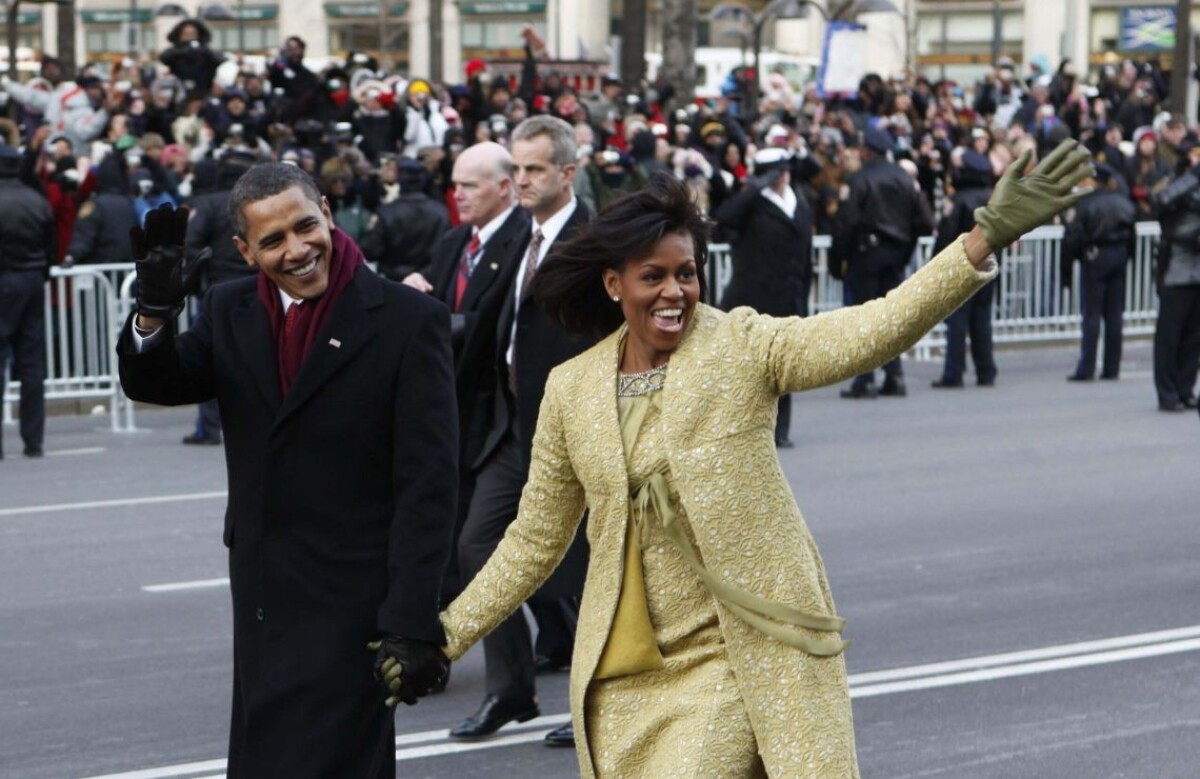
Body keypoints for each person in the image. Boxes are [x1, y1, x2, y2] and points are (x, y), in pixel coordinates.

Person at [439, 140, 1093, 777]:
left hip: (744, 651)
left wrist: (979, 241)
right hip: (628, 674)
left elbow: (876, 325)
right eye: (653, 276)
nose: (675, 292)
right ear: (614, 284)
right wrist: (440, 638)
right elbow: (533, 541)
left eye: (686, 273)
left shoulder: (742, 346)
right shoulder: (572, 388)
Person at [116, 164, 456, 777]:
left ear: (327, 211)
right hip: (264, 596)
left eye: (305, 226)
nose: (298, 250)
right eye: (273, 241)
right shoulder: (228, 309)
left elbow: (427, 484)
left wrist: (412, 616)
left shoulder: (408, 321)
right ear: (246, 251)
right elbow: (157, 382)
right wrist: (153, 314)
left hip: (354, 606)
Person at [448, 116, 590, 748]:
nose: (521, 180)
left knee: (589, 573)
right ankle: (509, 688)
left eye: (534, 170)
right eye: (518, 168)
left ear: (567, 172)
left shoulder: (595, 242)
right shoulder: (517, 240)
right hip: (511, 427)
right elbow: (483, 328)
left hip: (575, 432)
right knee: (479, 547)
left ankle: (598, 700)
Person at [715, 147, 814, 447]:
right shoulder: (752, 204)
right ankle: (741, 427)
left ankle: (780, 429)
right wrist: (754, 187)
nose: (782, 178)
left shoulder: (799, 203)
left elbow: (806, 258)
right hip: (751, 297)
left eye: (783, 172)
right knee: (745, 369)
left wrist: (804, 300)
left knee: (782, 367)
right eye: (776, 173)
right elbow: (722, 219)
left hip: (788, 296)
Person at [836, 125, 932, 399]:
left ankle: (865, 379)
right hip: (895, 255)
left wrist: (838, 258)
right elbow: (921, 221)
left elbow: (847, 222)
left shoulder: (859, 179)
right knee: (891, 319)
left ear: (867, 151)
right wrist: (905, 250)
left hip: (865, 255)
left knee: (865, 319)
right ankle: (895, 375)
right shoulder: (903, 177)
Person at [180, 150, 258, 446]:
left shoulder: (209, 204)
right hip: (256, 286)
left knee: (212, 359)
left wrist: (200, 276)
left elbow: (191, 245)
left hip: (219, 289)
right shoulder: (256, 205)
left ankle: (209, 428)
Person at [0, 144, 56, 459]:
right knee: (32, 363)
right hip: (32, 280)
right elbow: (50, 247)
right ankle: (33, 440)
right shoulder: (36, 200)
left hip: (5, 279)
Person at [1063, 163, 1137, 382]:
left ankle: (1087, 368)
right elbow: (1132, 234)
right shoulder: (1123, 201)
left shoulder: (1085, 204)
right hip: (1119, 255)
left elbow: (1073, 237)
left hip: (1095, 257)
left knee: (1092, 315)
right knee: (1114, 315)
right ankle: (1111, 367)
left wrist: (1071, 263)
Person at [931, 149, 999, 388]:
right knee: (982, 320)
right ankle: (986, 370)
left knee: (957, 321)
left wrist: (934, 263)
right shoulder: (993, 199)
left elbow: (946, 236)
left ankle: (954, 372)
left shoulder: (958, 201)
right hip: (988, 263)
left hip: (961, 266)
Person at [1150, 142, 1200, 412]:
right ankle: (1167, 393)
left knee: (1194, 338)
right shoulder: (1175, 181)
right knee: (1169, 337)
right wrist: (1192, 179)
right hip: (1176, 273)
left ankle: (1185, 389)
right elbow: (1161, 200)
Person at [361, 158, 450, 282]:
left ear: (399, 180)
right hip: (429, 283)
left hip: (395, 283)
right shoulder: (441, 212)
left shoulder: (386, 213)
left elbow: (370, 251)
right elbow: (445, 253)